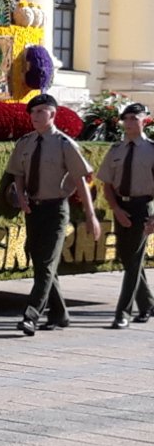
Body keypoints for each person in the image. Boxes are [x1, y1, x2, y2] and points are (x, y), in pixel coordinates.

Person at [7, 93, 100, 336]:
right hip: (33, 209)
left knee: (46, 264)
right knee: (40, 264)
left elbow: (81, 180)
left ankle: (31, 315)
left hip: (56, 209)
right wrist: (22, 195)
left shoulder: (64, 144)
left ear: (52, 114)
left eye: (40, 111)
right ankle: (60, 313)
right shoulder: (25, 143)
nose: (35, 116)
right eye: (32, 112)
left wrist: (90, 215)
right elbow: (17, 171)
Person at [97, 102, 154, 329]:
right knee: (128, 259)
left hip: (143, 208)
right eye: (126, 118)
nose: (129, 122)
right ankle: (148, 304)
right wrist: (116, 209)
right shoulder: (116, 150)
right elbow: (107, 185)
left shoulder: (151, 150)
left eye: (134, 118)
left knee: (133, 263)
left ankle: (123, 313)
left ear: (145, 120)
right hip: (122, 207)